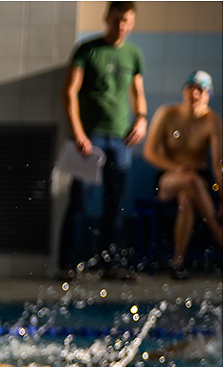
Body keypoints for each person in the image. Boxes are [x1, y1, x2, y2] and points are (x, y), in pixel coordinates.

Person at [57, 1, 147, 280]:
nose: (121, 26)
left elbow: (137, 91)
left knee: (115, 203)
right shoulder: (88, 50)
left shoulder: (133, 54)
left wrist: (142, 118)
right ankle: (67, 265)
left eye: (127, 21)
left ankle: (109, 264)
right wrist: (79, 132)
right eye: (117, 19)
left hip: (121, 140)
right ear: (107, 18)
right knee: (79, 201)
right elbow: (70, 92)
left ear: (132, 22)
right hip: (90, 138)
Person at [141, 70, 222, 278]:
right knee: (189, 180)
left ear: (208, 95)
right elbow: (149, 152)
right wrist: (177, 168)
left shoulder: (212, 121)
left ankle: (177, 262)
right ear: (184, 91)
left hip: (199, 180)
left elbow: (217, 164)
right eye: (190, 89)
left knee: (186, 198)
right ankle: (218, 232)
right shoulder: (167, 114)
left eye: (200, 90)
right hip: (169, 176)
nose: (194, 94)